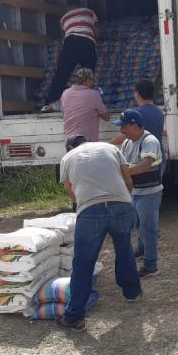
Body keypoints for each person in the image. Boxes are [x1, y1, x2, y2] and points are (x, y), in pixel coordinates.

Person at [58, 135, 142, 331]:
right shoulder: (110, 148)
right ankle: (132, 292)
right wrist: (125, 200)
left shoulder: (68, 158)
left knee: (83, 262)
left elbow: (70, 190)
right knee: (124, 250)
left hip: (90, 211)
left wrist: (82, 205)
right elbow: (127, 177)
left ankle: (75, 317)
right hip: (121, 204)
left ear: (70, 147)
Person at [114, 109, 163, 278]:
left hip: (149, 193)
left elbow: (145, 165)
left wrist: (123, 173)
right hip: (135, 192)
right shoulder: (128, 142)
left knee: (148, 229)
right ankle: (142, 250)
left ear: (135, 125)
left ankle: (151, 265)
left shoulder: (149, 141)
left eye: (124, 127)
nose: (122, 131)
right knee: (140, 226)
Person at [45, 5, 99, 105]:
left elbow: (68, 31)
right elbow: (96, 32)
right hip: (87, 42)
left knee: (61, 74)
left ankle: (50, 103)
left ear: (69, 8)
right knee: (88, 74)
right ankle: (88, 102)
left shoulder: (64, 18)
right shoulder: (89, 12)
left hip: (70, 43)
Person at [112, 79, 165, 167]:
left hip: (142, 160)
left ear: (137, 93)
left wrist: (107, 144)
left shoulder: (136, 114)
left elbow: (123, 136)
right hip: (158, 158)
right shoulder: (159, 112)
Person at [60, 68, 109, 142]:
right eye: (93, 80)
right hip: (87, 143)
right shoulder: (94, 94)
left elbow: (65, 114)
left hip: (70, 142)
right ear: (88, 80)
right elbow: (106, 117)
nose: (94, 83)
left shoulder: (65, 93)